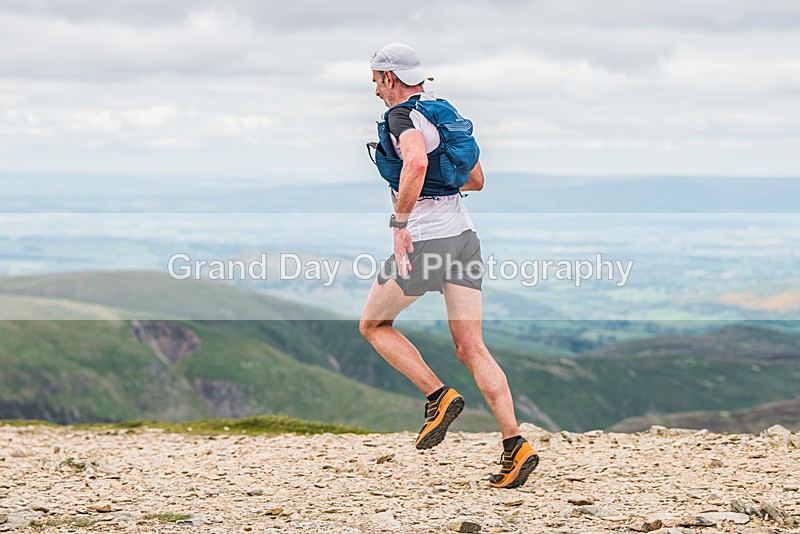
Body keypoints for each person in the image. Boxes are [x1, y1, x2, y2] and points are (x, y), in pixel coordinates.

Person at [359, 43, 539, 489]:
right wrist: (441, 188)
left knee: (373, 325)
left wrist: (401, 222)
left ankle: (437, 396)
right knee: (472, 347)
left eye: (375, 80)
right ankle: (515, 445)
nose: (375, 89)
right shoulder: (444, 114)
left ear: (389, 78)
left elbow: (416, 161)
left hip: (426, 241)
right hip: (463, 238)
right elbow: (476, 180)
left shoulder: (400, 117)